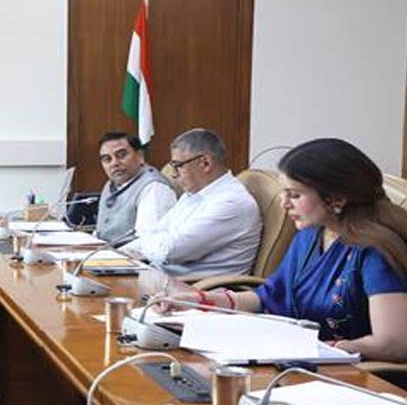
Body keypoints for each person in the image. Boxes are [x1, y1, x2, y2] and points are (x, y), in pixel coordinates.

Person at [163, 139, 407, 362]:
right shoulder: (310, 235)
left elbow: (392, 344)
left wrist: (321, 349)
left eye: (295, 195)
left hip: (355, 377)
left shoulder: (375, 251)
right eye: (284, 193)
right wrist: (201, 301)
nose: (284, 203)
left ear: (337, 198)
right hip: (301, 362)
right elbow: (268, 297)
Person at [119, 128, 261, 277]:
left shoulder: (231, 203)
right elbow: (156, 232)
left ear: (205, 163)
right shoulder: (194, 193)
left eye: (178, 166)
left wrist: (156, 241)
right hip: (162, 276)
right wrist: (119, 254)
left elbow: (170, 251)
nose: (174, 174)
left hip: (195, 287)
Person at [93, 131, 177, 247]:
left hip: (131, 256)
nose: (114, 163)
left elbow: (148, 242)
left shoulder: (154, 188)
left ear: (140, 156)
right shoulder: (111, 184)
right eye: (107, 159)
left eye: (121, 155)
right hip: (105, 252)